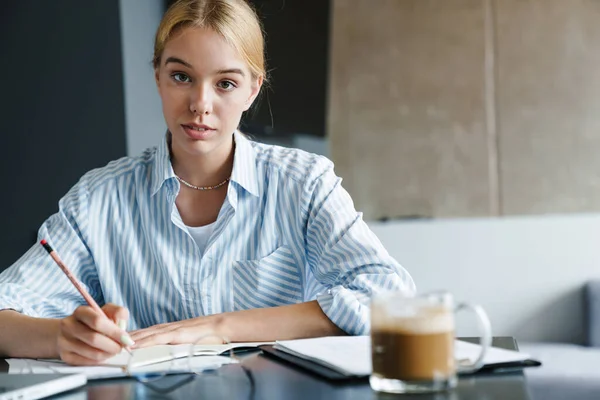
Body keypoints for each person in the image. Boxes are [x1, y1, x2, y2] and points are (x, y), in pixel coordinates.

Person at [0, 0, 415, 366]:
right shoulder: (97, 199)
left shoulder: (305, 184)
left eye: (226, 84)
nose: (201, 104)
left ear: (253, 90)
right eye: (181, 77)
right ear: (158, 76)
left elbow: (389, 299)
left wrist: (215, 327)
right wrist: (62, 338)